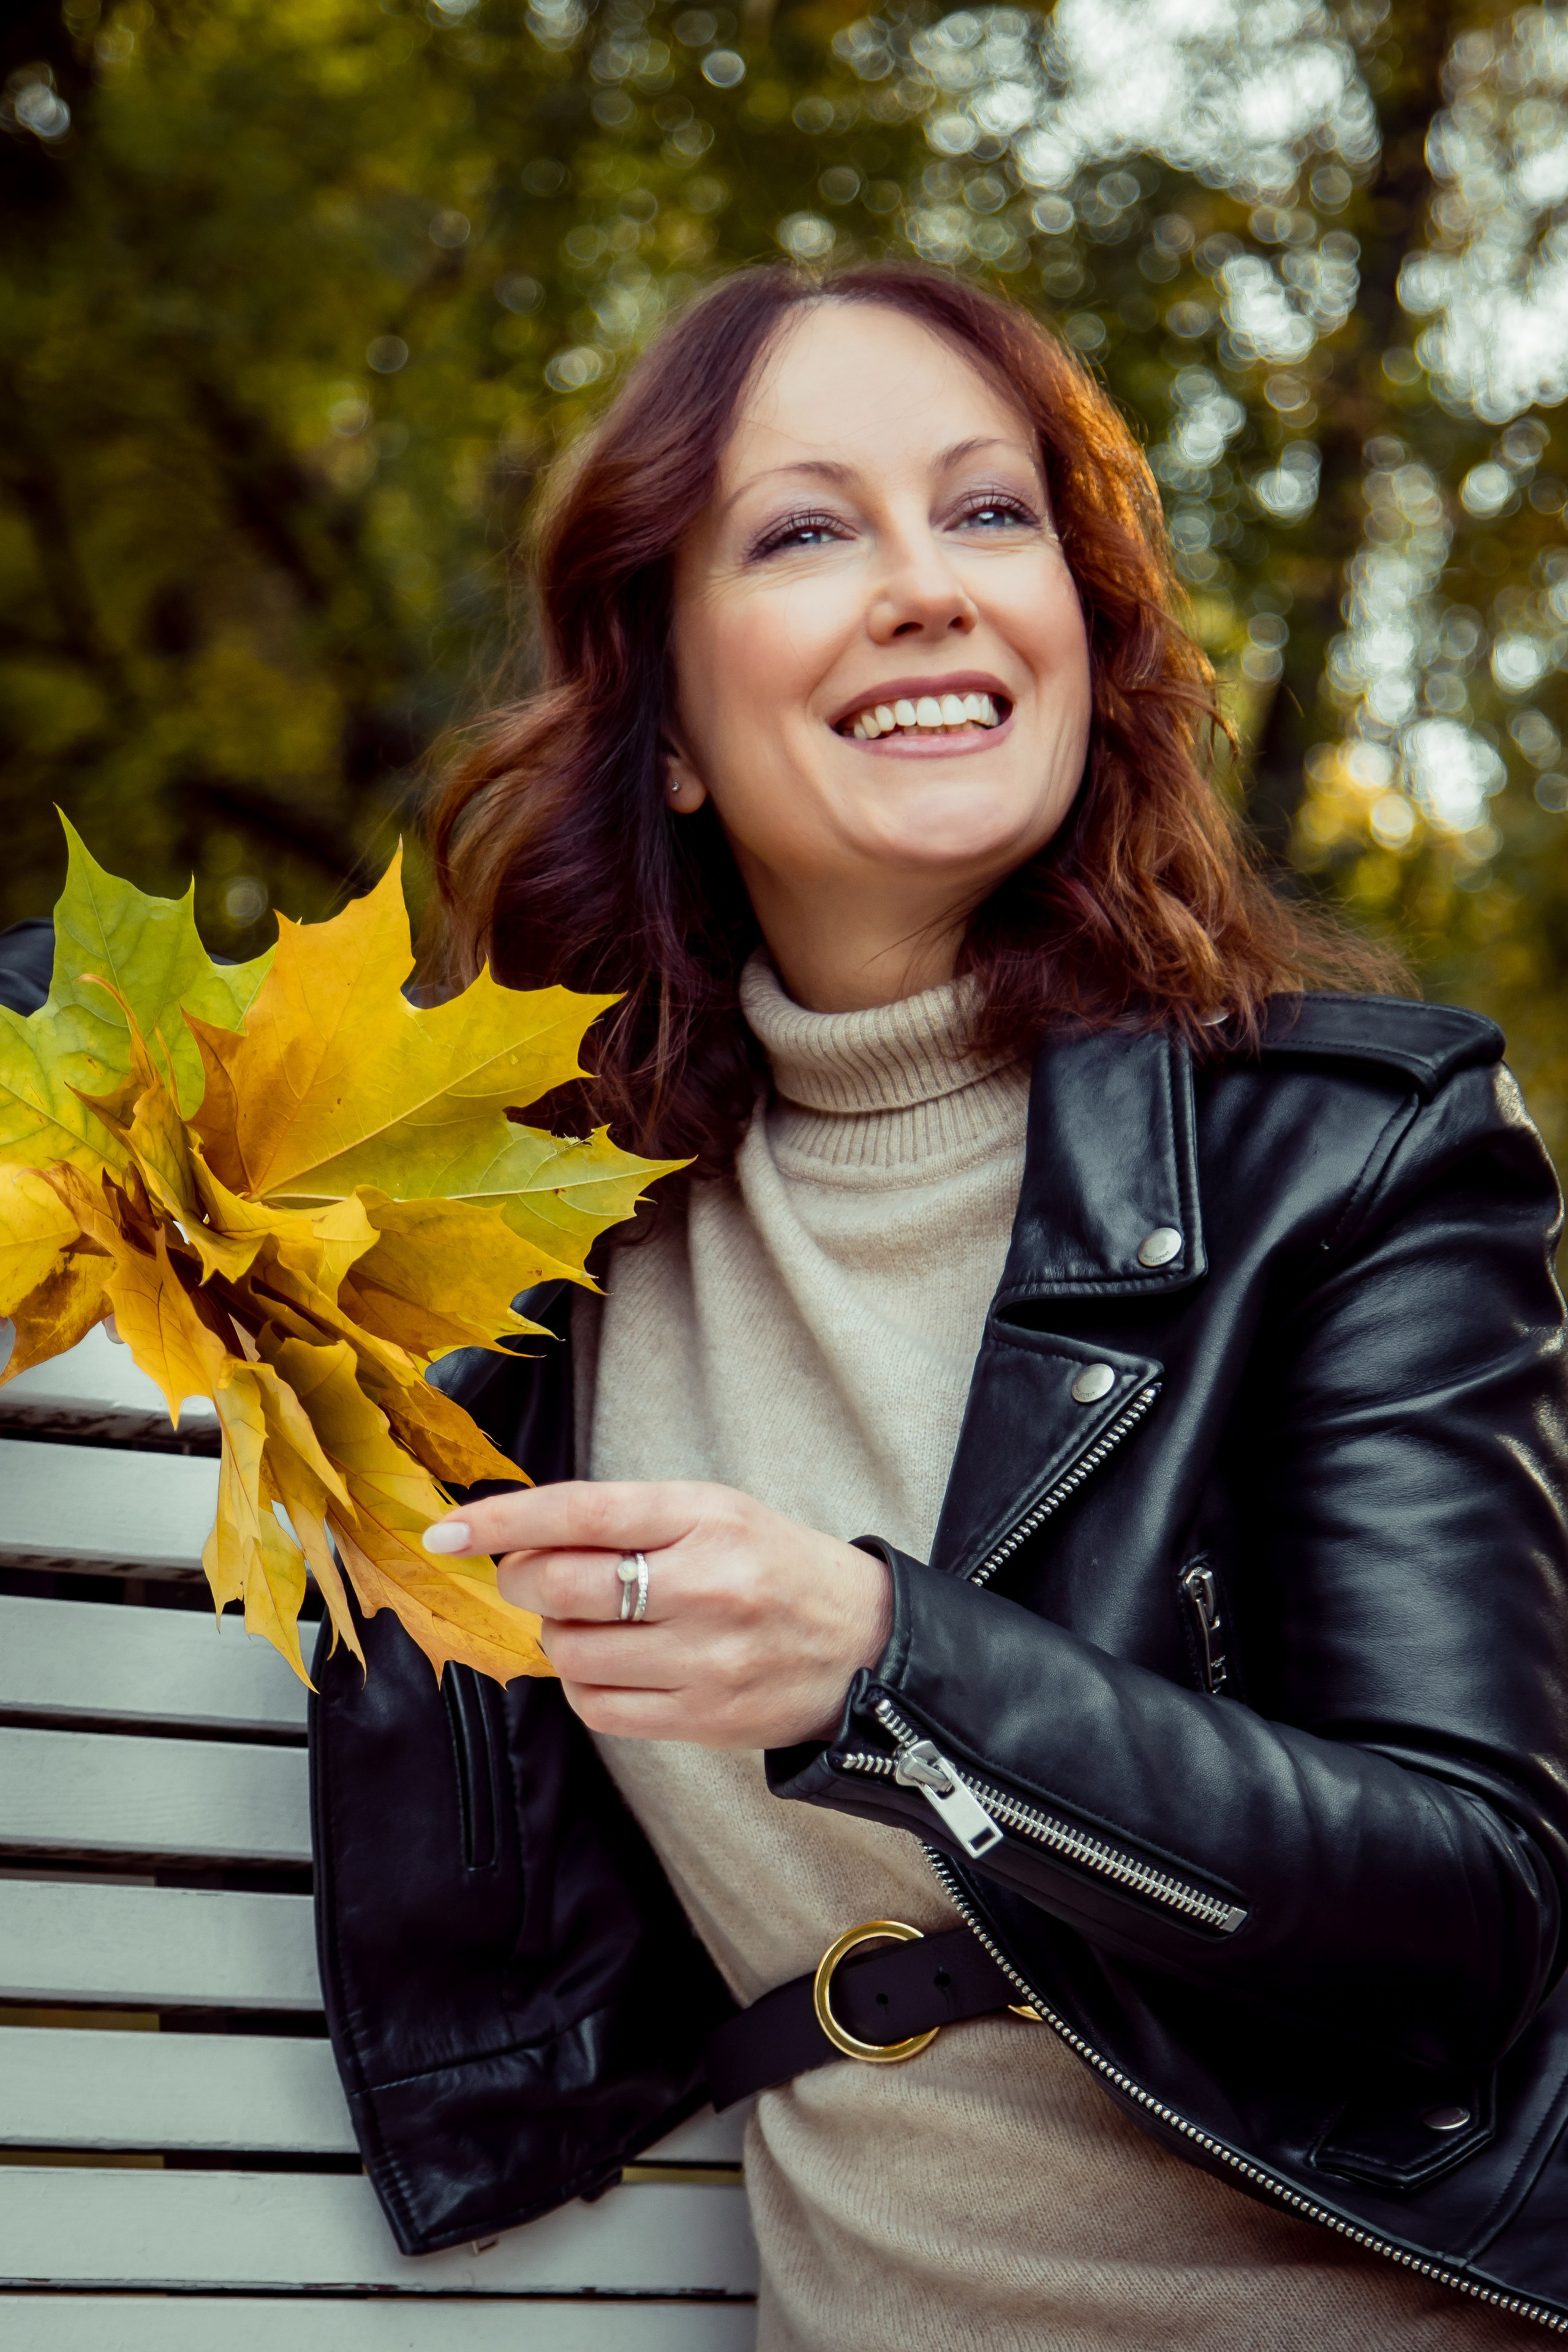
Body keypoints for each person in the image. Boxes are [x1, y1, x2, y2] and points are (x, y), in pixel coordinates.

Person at [306, 263, 1568, 2345]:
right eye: (807, 532)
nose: (929, 587)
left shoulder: (1349, 1150)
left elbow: (1471, 1912)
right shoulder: (520, 1229)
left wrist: (889, 1662)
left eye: (993, 516)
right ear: (671, 722)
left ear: (1089, 636)